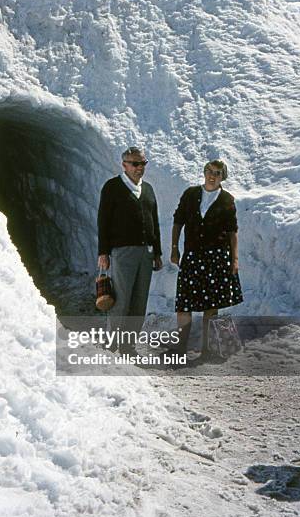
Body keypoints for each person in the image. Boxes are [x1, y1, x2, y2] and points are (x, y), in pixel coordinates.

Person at [170, 160, 243, 361]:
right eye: (209, 171)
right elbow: (178, 221)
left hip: (217, 259)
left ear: (223, 177)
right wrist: (175, 248)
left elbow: (232, 232)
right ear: (204, 172)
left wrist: (234, 259)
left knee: (211, 306)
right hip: (192, 256)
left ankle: (207, 350)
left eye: (218, 173)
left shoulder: (227, 200)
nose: (212, 176)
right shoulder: (190, 194)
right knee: (184, 304)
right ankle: (179, 348)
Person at [98, 147, 162, 354]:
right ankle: (112, 344)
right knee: (121, 299)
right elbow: (103, 222)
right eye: (135, 164)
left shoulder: (149, 189)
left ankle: (128, 345)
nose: (139, 168)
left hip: (146, 252)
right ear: (124, 164)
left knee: (139, 300)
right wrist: (103, 252)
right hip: (123, 251)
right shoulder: (112, 187)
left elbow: (155, 222)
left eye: (143, 164)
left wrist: (158, 252)